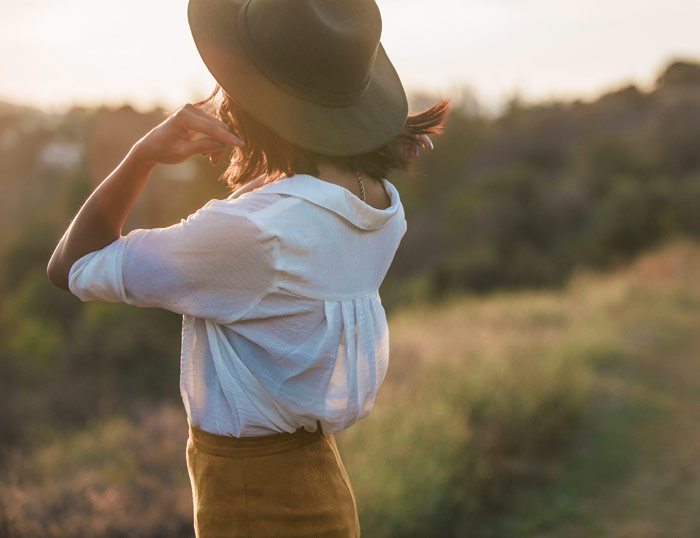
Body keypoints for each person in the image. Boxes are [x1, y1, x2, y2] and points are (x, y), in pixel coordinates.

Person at [47, 0, 448, 536]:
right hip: (322, 483)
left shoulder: (255, 231)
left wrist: (141, 154)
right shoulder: (380, 203)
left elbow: (71, 265)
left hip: (251, 501)